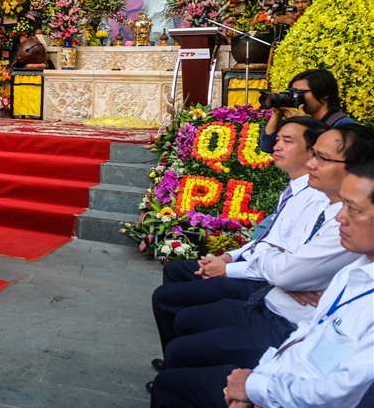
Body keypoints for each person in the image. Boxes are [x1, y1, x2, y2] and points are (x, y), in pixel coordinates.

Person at [151, 124, 374, 376]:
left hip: (281, 311)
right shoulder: (317, 199)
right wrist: (235, 258)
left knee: (180, 336)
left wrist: (274, 270)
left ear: (355, 168)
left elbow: (286, 269)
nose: (312, 164)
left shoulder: (335, 215)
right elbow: (274, 249)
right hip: (273, 294)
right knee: (179, 303)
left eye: (320, 157)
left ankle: (181, 373)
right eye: (314, 155)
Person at [259, 68, 356, 153]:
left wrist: (305, 125)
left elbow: (326, 156)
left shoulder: (345, 126)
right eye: (291, 93)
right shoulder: (299, 119)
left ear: (324, 94)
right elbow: (268, 146)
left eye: (300, 93)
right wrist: (276, 115)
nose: (294, 97)